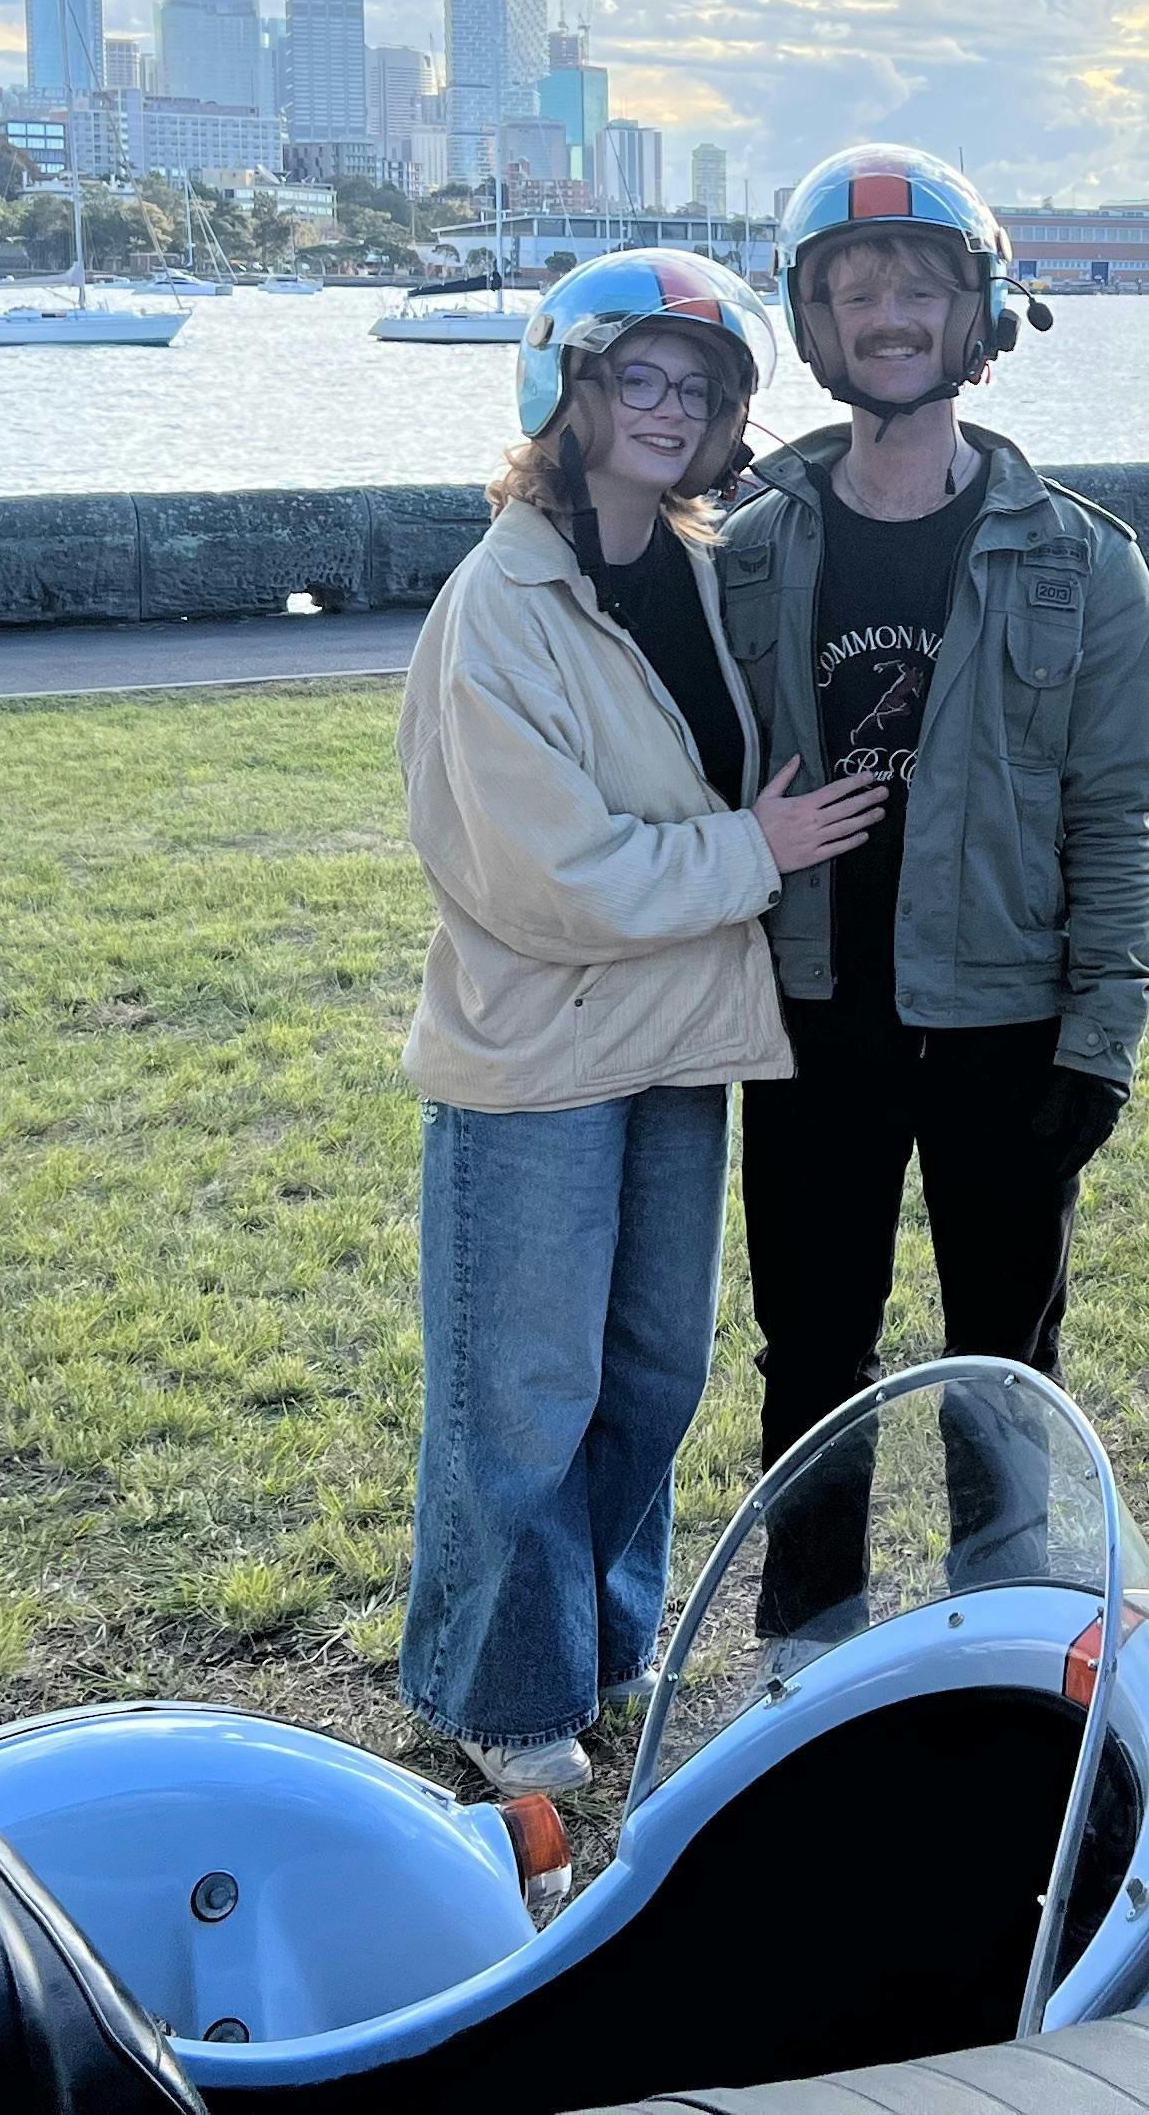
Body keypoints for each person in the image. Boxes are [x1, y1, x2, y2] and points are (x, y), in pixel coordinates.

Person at [392, 249, 888, 1795]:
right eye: (641, 378)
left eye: (705, 386)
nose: (672, 410)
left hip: (677, 1037)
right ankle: (506, 1689)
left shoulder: (702, 572)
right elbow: (546, 876)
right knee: (525, 1385)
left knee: (653, 1373)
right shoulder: (504, 602)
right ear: (569, 391)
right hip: (540, 1045)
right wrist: (761, 854)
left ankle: (605, 1648)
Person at [716, 145, 1149, 1638]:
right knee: (810, 1357)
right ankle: (806, 1653)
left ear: (979, 316)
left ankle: (1011, 1632)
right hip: (814, 1019)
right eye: (852, 290)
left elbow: (1115, 817)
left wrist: (1099, 1041)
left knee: (1008, 1359)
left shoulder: (1081, 567)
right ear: (813, 326)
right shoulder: (753, 552)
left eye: (918, 286)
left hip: (1006, 1027)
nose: (887, 313)